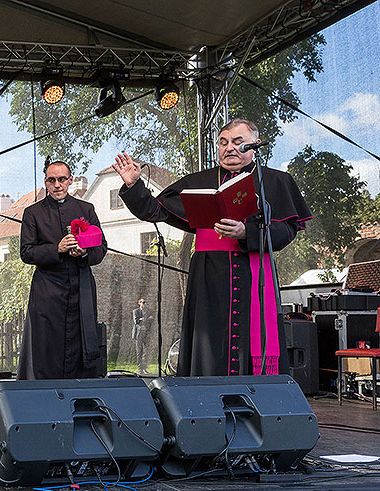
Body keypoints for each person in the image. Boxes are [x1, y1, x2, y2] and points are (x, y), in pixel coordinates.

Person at [112, 119, 311, 377]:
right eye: (223, 142)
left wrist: (246, 232)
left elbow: (286, 231)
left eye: (238, 143)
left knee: (255, 338)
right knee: (208, 342)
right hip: (209, 277)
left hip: (255, 276)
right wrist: (133, 186)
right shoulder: (199, 181)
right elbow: (155, 211)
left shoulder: (274, 181)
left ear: (255, 145)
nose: (229, 148)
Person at [17, 160, 107, 380]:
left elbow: (101, 247)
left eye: (62, 179)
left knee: (80, 346)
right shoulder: (33, 213)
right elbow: (26, 252)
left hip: (81, 288)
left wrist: (84, 253)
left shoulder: (86, 209)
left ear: (70, 180)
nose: (57, 185)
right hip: (47, 292)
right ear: (46, 182)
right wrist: (56, 249)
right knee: (47, 348)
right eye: (52, 180)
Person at [132, 298, 147, 372]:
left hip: (146, 334)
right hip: (138, 334)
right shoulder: (136, 311)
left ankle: (144, 368)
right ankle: (139, 368)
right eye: (143, 302)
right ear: (139, 303)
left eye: (145, 302)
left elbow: (151, 320)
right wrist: (143, 319)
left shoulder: (148, 311)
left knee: (146, 351)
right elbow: (136, 321)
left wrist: (143, 319)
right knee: (139, 351)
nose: (144, 304)